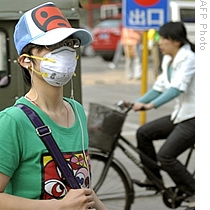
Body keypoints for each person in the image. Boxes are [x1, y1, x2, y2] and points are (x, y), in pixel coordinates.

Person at [0, 2, 108, 210]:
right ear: (25, 61)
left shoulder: (77, 111)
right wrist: (57, 207)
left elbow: (83, 191)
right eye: (53, 46)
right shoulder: (12, 122)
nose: (65, 52)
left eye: (70, 43)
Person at [125, 21, 195, 210]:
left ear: (176, 41)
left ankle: (195, 191)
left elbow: (175, 90)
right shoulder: (169, 60)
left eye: (164, 38)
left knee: (166, 156)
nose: (160, 42)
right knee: (143, 133)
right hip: (180, 115)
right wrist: (137, 102)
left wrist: (149, 106)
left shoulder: (190, 59)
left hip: (195, 117)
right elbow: (160, 87)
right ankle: (153, 179)